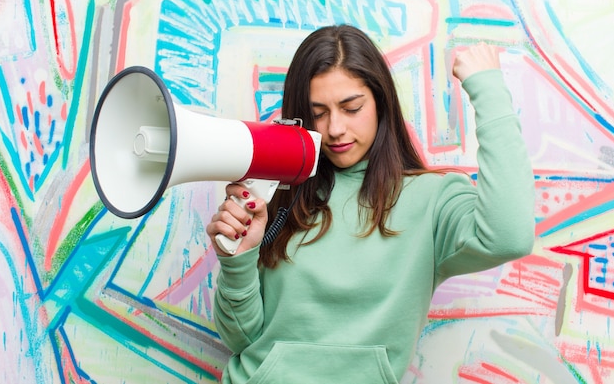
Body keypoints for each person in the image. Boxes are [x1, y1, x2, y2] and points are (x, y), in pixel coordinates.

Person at [206, 24, 535, 384]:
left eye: (351, 108)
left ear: (380, 102)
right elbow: (242, 339)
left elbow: (510, 236)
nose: (335, 129)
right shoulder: (280, 195)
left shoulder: (432, 200)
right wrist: (237, 260)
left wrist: (488, 89)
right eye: (319, 112)